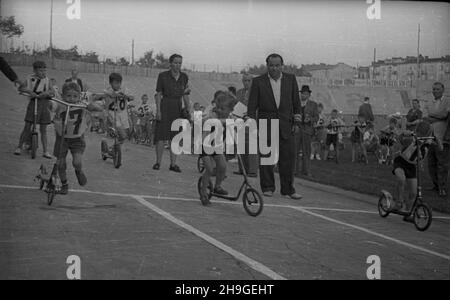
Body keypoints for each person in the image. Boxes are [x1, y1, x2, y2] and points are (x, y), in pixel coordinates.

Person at [247, 53, 302, 200]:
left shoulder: (290, 79)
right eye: (271, 65)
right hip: (266, 123)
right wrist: (252, 125)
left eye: (277, 65)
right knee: (267, 159)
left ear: (282, 66)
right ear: (267, 66)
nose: (274, 68)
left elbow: (296, 103)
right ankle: (268, 187)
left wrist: (297, 122)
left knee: (288, 159)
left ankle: (288, 190)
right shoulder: (258, 81)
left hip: (286, 125)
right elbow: (252, 106)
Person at [51, 82, 103, 194]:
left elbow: (98, 108)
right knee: (60, 163)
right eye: (68, 96)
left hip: (77, 139)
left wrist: (91, 106)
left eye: (75, 96)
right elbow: (52, 105)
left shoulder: (82, 105)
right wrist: (48, 101)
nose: (71, 99)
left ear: (79, 96)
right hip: (62, 138)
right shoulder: (60, 104)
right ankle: (64, 184)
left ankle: (78, 171)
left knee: (77, 162)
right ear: (63, 95)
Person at [153, 54, 191, 172]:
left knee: (175, 137)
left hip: (177, 107)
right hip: (165, 105)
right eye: (175, 62)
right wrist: (158, 110)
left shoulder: (184, 77)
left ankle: (173, 164)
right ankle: (158, 162)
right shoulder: (163, 76)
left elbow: (185, 95)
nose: (177, 65)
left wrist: (188, 109)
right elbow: (158, 94)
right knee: (160, 136)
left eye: (180, 63)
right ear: (170, 63)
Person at [199, 92, 236, 206]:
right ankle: (203, 192)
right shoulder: (212, 116)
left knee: (223, 166)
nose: (219, 110)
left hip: (217, 146)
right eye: (218, 107)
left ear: (230, 110)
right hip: (205, 146)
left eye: (223, 108)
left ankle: (217, 186)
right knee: (209, 170)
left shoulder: (230, 117)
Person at [391, 127, 433, 220]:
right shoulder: (411, 138)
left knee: (414, 193)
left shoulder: (428, 142)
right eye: (419, 133)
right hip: (401, 162)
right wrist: (404, 134)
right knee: (401, 179)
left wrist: (437, 140)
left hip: (412, 166)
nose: (421, 136)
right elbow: (400, 138)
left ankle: (408, 212)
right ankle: (399, 202)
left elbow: (439, 146)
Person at [15, 61, 55, 158]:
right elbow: (21, 88)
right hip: (33, 103)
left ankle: (45, 151)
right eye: (40, 71)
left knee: (43, 129)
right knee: (27, 126)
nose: (43, 73)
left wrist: (45, 93)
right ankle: (19, 147)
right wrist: (30, 91)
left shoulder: (47, 79)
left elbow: (52, 91)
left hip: (44, 104)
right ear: (35, 70)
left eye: (44, 71)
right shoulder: (29, 78)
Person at [93, 72, 134, 150]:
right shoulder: (107, 90)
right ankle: (114, 148)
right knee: (122, 135)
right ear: (110, 83)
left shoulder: (124, 89)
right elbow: (99, 95)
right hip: (113, 114)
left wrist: (126, 96)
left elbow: (132, 97)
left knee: (125, 135)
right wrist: (110, 94)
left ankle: (113, 148)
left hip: (123, 114)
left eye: (119, 83)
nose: (118, 85)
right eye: (115, 83)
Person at [423, 82, 450, 197]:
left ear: (443, 90)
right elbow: (425, 117)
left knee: (442, 164)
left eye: (437, 89)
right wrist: (438, 117)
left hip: (443, 137)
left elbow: (445, 114)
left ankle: (442, 188)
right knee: (431, 163)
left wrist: (432, 116)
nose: (435, 91)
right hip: (431, 138)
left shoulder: (448, 101)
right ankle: (435, 185)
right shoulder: (429, 102)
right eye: (433, 89)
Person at [233, 73, 258, 177]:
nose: (246, 83)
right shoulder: (239, 92)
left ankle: (252, 170)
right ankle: (242, 168)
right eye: (245, 81)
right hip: (239, 121)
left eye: (249, 81)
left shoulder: (257, 92)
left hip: (251, 120)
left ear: (252, 81)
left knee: (251, 146)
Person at [295, 85, 319, 176]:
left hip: (307, 129)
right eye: (302, 93)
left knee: (306, 151)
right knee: (295, 151)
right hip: (297, 129)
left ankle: (306, 170)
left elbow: (316, 117)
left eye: (306, 94)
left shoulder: (313, 104)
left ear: (309, 95)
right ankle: (295, 170)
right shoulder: (296, 103)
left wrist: (310, 120)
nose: (303, 95)